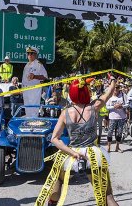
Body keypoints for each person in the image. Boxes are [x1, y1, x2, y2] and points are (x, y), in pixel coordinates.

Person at [35, 75, 119, 206]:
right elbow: (108, 93)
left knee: (57, 180)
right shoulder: (94, 107)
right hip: (94, 155)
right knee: (107, 195)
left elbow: (54, 139)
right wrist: (113, 81)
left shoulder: (66, 112)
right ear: (87, 92)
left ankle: (52, 202)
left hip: (72, 154)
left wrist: (72, 153)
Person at [22, 46, 48, 117]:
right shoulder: (26, 65)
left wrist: (35, 76)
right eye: (28, 54)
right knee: (27, 109)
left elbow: (45, 77)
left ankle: (33, 124)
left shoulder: (38, 64)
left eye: (31, 53)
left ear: (35, 55)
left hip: (34, 90)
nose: (29, 55)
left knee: (33, 109)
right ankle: (28, 123)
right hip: (26, 90)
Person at [106, 84, 128, 153]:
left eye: (117, 88)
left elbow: (127, 104)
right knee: (110, 132)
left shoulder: (123, 95)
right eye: (114, 88)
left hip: (121, 117)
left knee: (119, 133)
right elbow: (107, 107)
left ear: (119, 88)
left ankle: (117, 147)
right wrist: (114, 107)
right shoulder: (110, 96)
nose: (116, 89)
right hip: (112, 117)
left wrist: (122, 106)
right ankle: (109, 146)